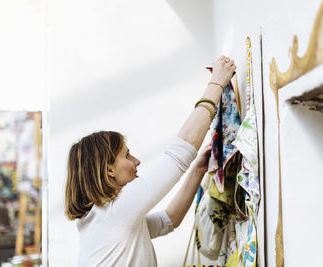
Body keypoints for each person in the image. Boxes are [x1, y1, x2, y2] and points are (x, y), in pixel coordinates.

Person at [64, 55, 236, 267]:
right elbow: (179, 152)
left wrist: (198, 169)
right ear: (109, 170)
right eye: (127, 155)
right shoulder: (115, 211)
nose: (136, 161)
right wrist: (216, 83)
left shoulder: (105, 219)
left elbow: (168, 220)